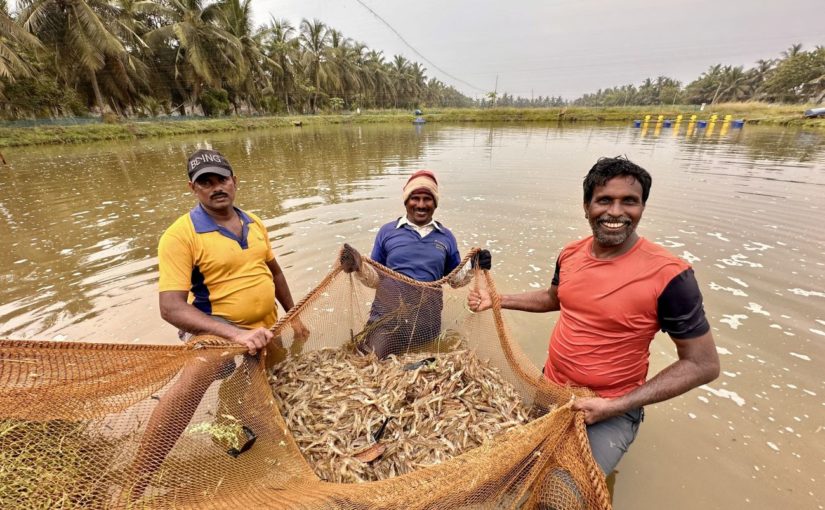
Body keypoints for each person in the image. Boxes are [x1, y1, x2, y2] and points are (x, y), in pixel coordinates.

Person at [468, 156, 720, 477]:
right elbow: (553, 298)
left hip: (611, 407)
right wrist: (498, 299)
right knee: (527, 465)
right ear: (587, 207)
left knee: (563, 491)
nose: (616, 212)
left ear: (642, 207)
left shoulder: (671, 276)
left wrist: (613, 407)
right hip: (552, 387)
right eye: (604, 200)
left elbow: (703, 364)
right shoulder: (570, 254)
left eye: (629, 201)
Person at [128, 149, 307, 497]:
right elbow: (171, 308)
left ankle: (235, 407)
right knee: (188, 389)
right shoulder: (180, 236)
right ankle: (136, 484)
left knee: (275, 387)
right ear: (193, 189)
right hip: (216, 332)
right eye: (205, 183)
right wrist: (236, 334)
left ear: (234, 181)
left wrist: (293, 315)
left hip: (265, 327)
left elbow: (275, 272)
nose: (215, 188)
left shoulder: (254, 223)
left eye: (221, 179)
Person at [340, 170, 491, 358]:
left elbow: (454, 280)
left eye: (427, 199)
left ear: (435, 203)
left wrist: (473, 265)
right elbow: (375, 279)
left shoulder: (446, 237)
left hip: (428, 323)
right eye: (415, 198)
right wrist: (358, 266)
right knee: (371, 360)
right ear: (406, 201)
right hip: (387, 319)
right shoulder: (387, 232)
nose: (421, 205)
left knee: (430, 363)